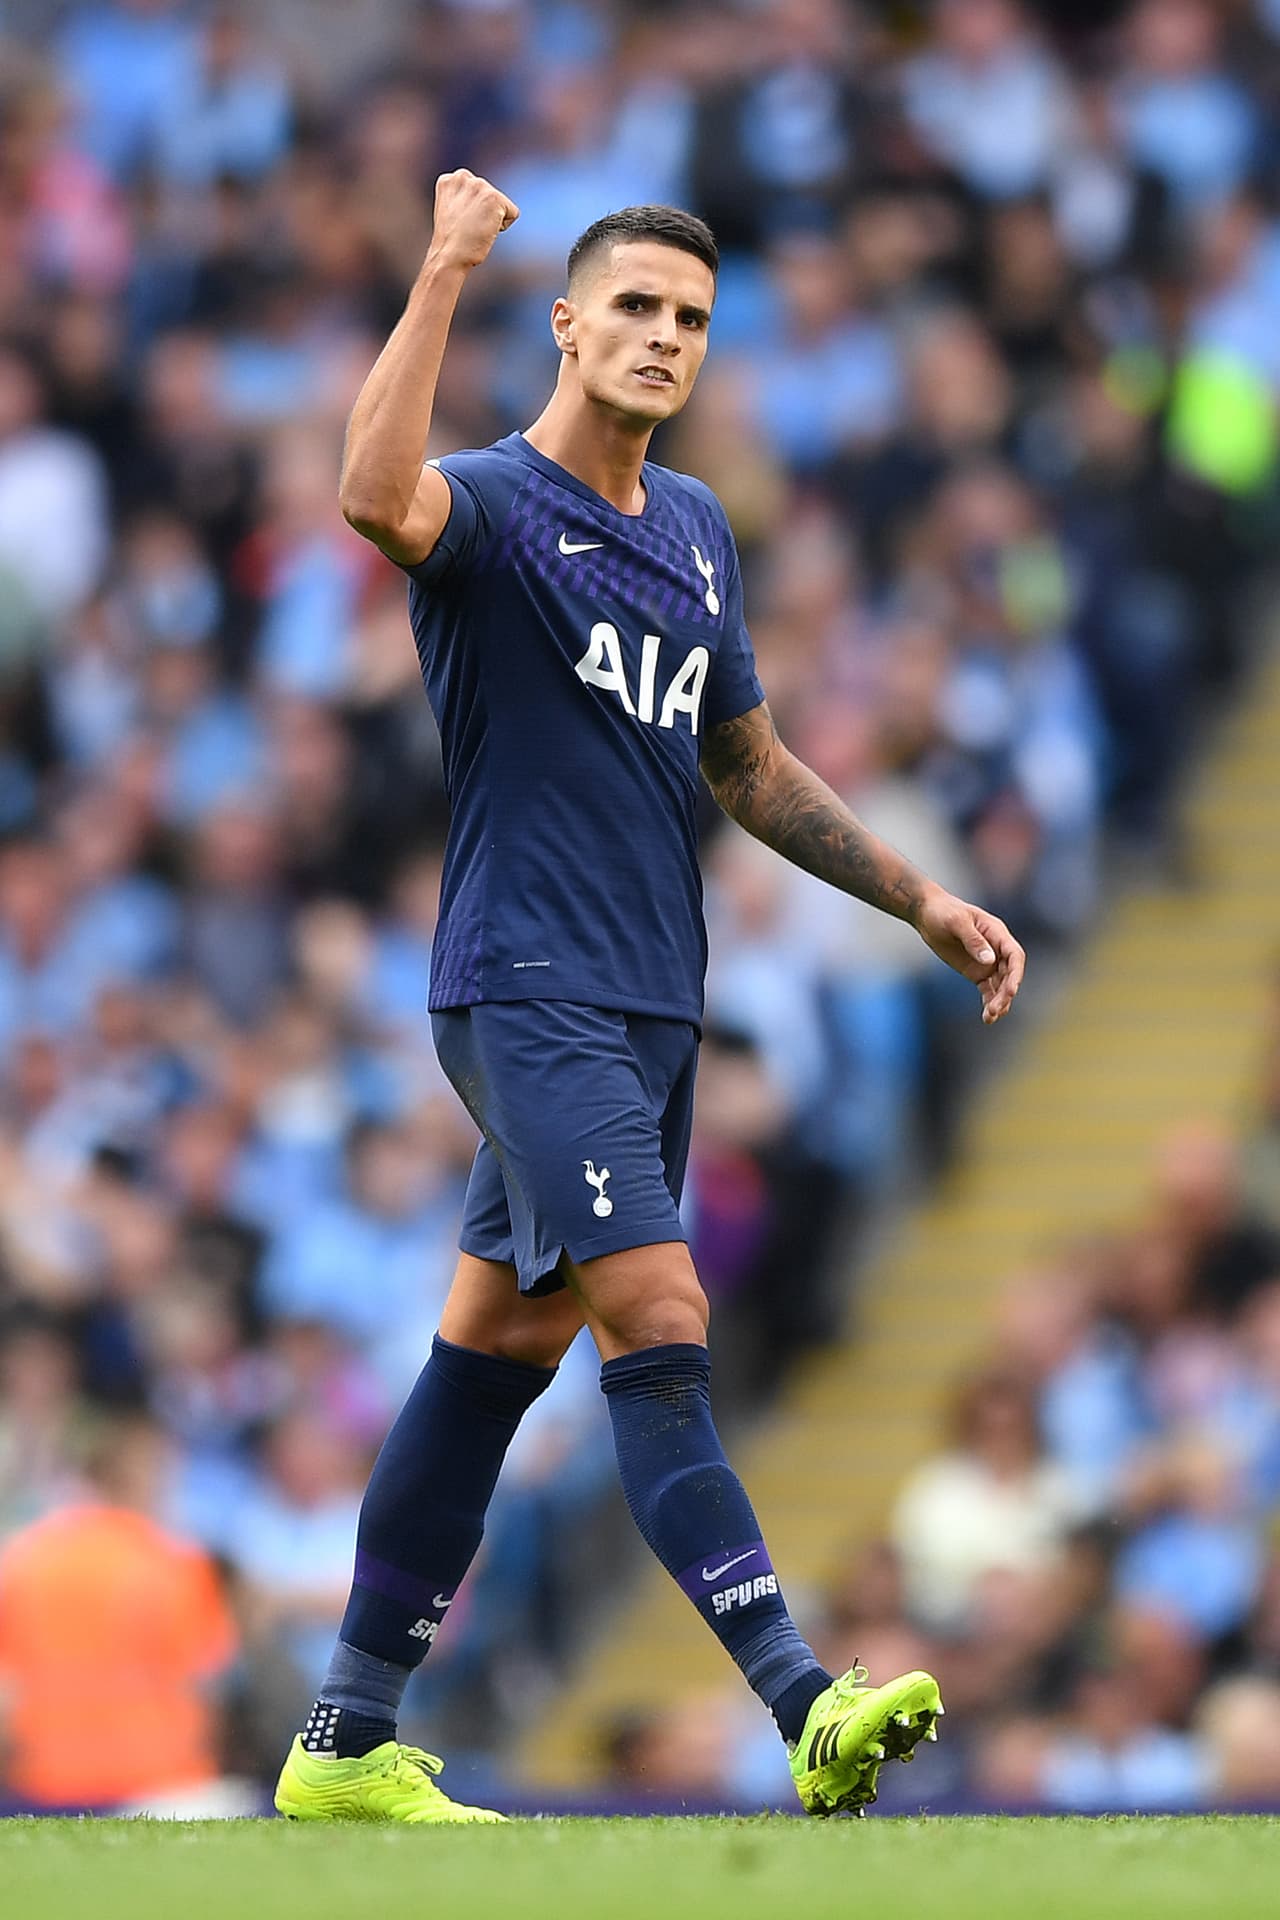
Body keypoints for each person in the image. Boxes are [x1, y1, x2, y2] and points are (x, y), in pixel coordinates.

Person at [273, 171, 1025, 1827]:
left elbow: (745, 765)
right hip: (525, 982)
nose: (664, 337)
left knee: (496, 1344)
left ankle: (342, 1736)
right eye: (633, 307)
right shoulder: (487, 502)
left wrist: (917, 895)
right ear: (568, 321)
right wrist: (442, 267)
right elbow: (366, 492)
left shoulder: (693, 532)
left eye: (689, 318)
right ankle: (802, 1700)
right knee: (661, 1322)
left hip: (650, 1004)